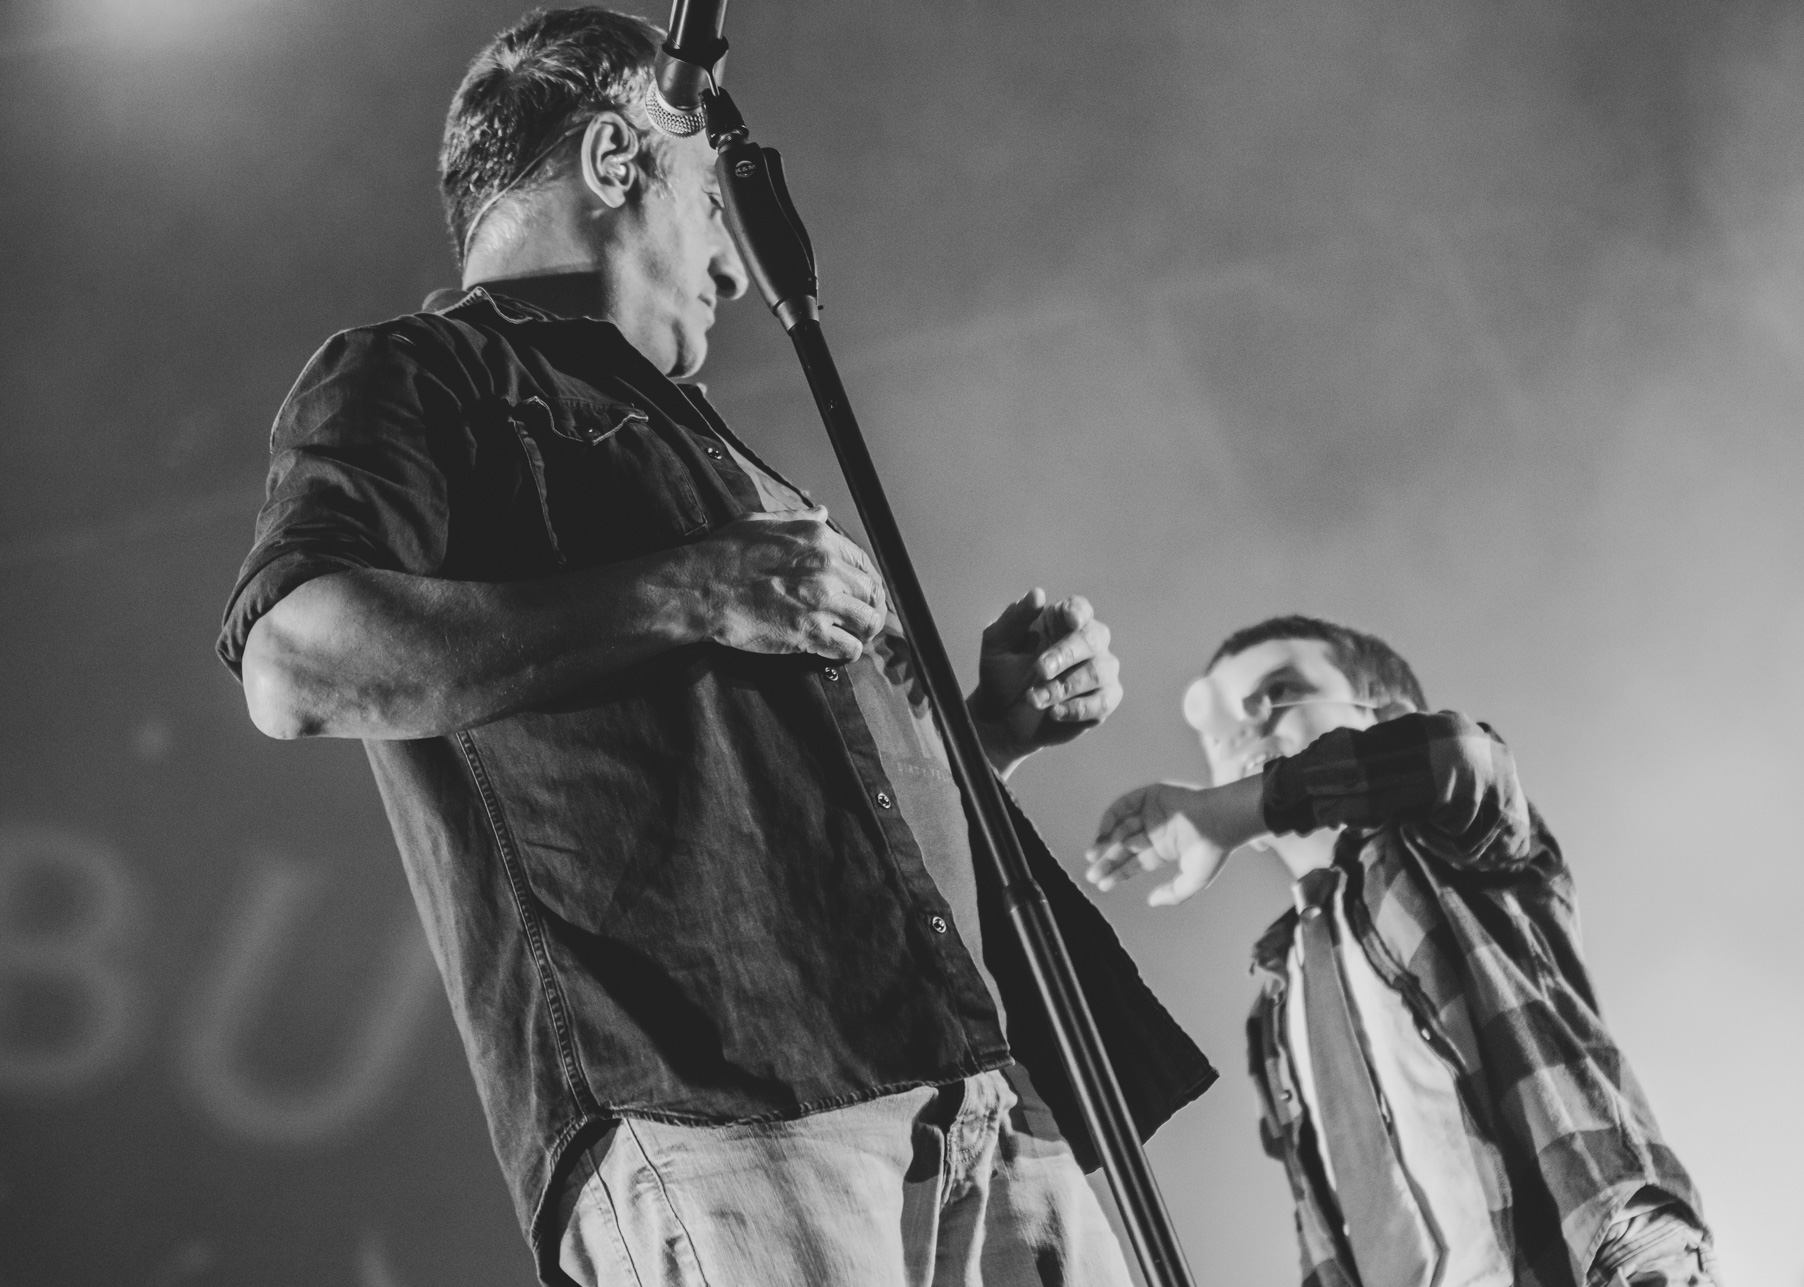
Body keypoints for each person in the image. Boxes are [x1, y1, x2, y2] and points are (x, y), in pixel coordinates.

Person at [216, 9, 1212, 1284]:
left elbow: (773, 778)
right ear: (615, 159)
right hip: (727, 1106)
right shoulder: (423, 373)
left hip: (980, 1088)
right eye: (707, 198)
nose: (737, 268)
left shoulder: (699, 443)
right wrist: (687, 590)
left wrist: (986, 734)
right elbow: (296, 662)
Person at [1086, 616, 1715, 1287]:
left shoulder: (1454, 847)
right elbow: (1323, 1226)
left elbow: (1454, 756)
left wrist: (1244, 804)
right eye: (1219, 729)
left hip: (1587, 1261)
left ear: (1385, 712)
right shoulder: (1276, 1001)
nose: (1244, 727)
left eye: (1278, 691)